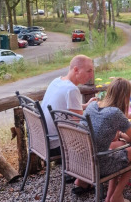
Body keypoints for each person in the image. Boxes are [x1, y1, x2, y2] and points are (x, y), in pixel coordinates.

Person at [41, 54, 96, 192]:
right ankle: (85, 178)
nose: (91, 75)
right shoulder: (72, 89)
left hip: (43, 139)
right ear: (76, 70)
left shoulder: (57, 81)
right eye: (89, 71)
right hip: (56, 143)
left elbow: (65, 108)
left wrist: (85, 105)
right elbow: (80, 125)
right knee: (99, 138)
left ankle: (76, 173)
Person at [84, 78, 131, 202]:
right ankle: (117, 196)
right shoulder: (115, 113)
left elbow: (108, 125)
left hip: (82, 161)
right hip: (99, 165)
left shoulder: (92, 106)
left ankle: (109, 196)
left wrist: (123, 122)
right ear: (125, 96)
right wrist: (124, 132)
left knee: (115, 150)